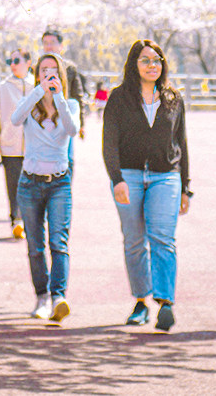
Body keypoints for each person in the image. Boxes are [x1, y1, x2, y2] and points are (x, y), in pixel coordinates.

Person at [102, 39, 190, 332]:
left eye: (157, 60)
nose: (152, 65)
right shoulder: (119, 98)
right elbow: (109, 143)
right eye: (145, 60)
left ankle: (165, 303)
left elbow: (181, 143)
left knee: (163, 237)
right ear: (134, 64)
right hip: (129, 176)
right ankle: (141, 301)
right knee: (134, 240)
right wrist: (117, 179)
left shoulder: (173, 98)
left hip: (166, 176)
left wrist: (186, 186)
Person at [11, 52, 79, 321]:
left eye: (53, 71)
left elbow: (72, 130)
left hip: (59, 183)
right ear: (37, 75)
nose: (49, 75)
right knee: (35, 246)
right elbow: (15, 119)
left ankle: (58, 297)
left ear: (61, 75)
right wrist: (39, 91)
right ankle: (42, 297)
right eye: (43, 71)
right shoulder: (29, 103)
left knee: (58, 242)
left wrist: (58, 96)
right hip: (29, 183)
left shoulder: (70, 104)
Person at [0, 48, 33, 239]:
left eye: (17, 60)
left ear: (28, 63)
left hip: (34, 146)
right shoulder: (3, 87)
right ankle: (17, 219)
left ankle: (30, 221)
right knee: (14, 185)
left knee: (32, 185)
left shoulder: (37, 86)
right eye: (10, 61)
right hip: (9, 145)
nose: (13, 65)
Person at [39, 30, 87, 140]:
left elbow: (77, 96)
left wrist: (81, 123)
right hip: (42, 121)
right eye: (45, 43)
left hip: (64, 120)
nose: (49, 46)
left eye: (52, 42)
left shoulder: (69, 68)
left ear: (61, 46)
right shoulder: (36, 68)